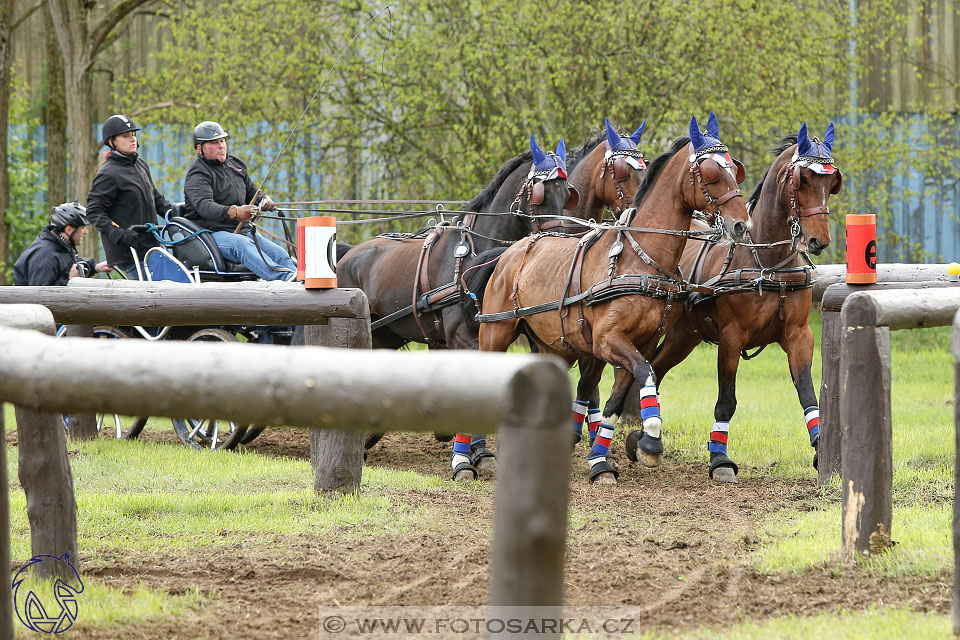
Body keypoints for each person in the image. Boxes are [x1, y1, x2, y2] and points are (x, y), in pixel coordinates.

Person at [183, 121, 296, 281]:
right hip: (211, 235)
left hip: (243, 231)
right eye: (214, 143)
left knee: (279, 253)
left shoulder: (235, 165)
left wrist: (263, 199)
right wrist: (235, 212)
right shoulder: (197, 174)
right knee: (242, 246)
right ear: (200, 148)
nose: (221, 146)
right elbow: (205, 207)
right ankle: (285, 280)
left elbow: (251, 191)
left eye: (222, 141)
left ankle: (298, 279)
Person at [85, 114, 172, 279]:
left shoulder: (141, 165)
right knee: (152, 300)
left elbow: (157, 199)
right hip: (130, 253)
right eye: (125, 136)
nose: (132, 139)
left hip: (151, 248)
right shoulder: (108, 173)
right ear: (112, 142)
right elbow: (94, 211)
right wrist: (119, 233)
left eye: (133, 134)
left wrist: (177, 216)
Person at [14, 201, 112, 285]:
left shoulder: (60, 247)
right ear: (69, 229)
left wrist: (95, 267)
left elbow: (68, 267)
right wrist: (69, 281)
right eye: (83, 228)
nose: (86, 232)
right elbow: (39, 296)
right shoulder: (44, 256)